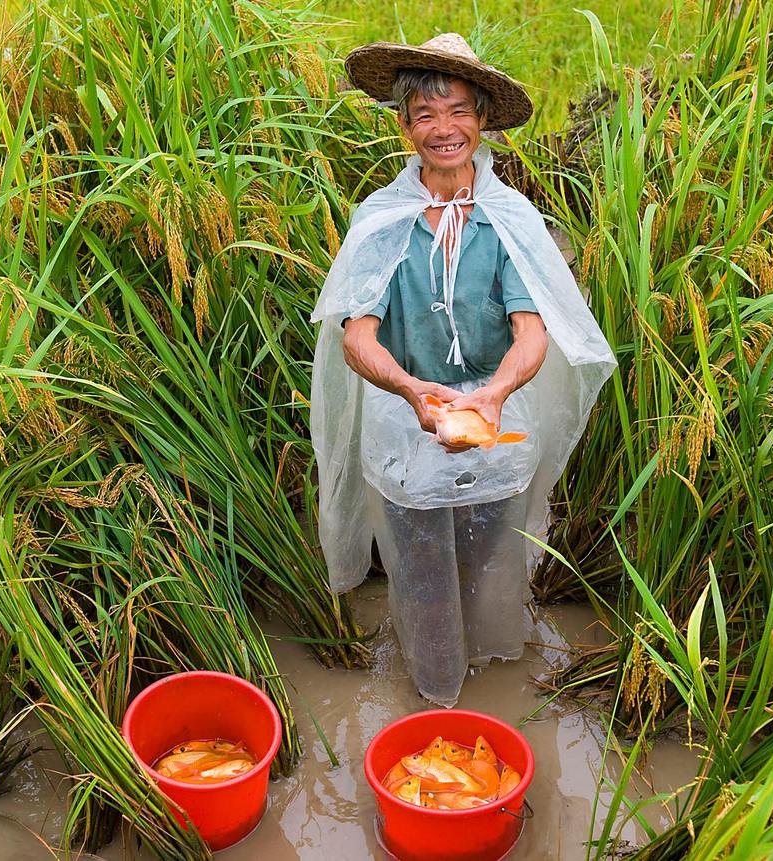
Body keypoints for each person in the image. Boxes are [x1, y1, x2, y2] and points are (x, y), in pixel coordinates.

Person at [310, 33, 615, 707]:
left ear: (481, 120)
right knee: (420, 574)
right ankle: (437, 691)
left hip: (496, 428)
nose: (443, 129)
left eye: (457, 111)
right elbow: (357, 336)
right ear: (405, 127)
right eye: (424, 113)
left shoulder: (510, 221)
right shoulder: (383, 220)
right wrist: (413, 389)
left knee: (489, 561)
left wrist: (497, 392)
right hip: (405, 430)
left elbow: (531, 331)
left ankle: (495, 683)